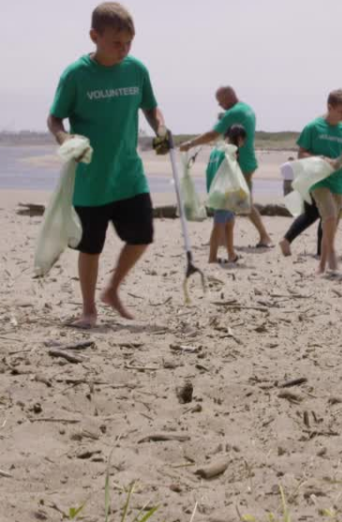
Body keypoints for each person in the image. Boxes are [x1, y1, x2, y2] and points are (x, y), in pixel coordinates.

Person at [46, 2, 167, 329]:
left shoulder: (136, 69)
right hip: (91, 178)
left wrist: (162, 130)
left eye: (129, 42)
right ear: (94, 36)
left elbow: (152, 108)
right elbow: (54, 118)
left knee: (142, 236)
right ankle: (89, 310)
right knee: (91, 247)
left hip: (129, 174)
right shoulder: (76, 75)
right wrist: (65, 140)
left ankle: (112, 289)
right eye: (117, 43)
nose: (124, 49)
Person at [179, 86, 274, 248]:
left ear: (228, 97)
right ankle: (225, 237)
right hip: (247, 161)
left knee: (229, 200)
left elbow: (212, 135)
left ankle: (261, 237)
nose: (220, 105)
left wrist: (190, 144)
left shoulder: (233, 113)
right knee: (238, 201)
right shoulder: (246, 108)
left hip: (239, 162)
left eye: (220, 102)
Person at [280, 104, 342, 258]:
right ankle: (321, 251)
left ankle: (287, 240)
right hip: (317, 178)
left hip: (316, 177)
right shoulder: (326, 125)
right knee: (324, 214)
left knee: (312, 213)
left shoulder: (335, 126)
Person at [296, 89, 342, 276]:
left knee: (331, 225)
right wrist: (321, 158)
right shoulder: (313, 127)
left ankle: (322, 265)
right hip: (318, 181)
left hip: (338, 181)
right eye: (340, 112)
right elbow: (301, 154)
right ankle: (331, 253)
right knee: (328, 216)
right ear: (329, 107)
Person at [205, 124, 248, 265]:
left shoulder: (216, 150)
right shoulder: (230, 151)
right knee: (219, 226)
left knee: (229, 223)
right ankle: (212, 258)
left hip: (216, 190)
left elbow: (209, 171)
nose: (243, 144)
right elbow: (233, 174)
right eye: (243, 140)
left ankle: (231, 254)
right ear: (239, 138)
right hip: (225, 193)